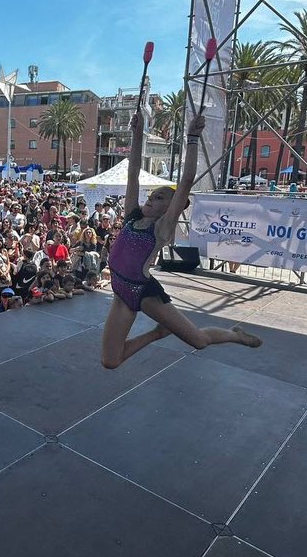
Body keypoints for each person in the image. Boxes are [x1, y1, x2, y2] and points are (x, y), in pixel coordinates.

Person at [101, 110, 262, 369]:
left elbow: (186, 180)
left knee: (198, 340)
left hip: (143, 293)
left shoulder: (161, 230)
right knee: (110, 361)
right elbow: (133, 174)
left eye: (160, 198)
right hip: (121, 291)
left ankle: (235, 335)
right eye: (152, 195)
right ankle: (157, 333)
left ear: (169, 208)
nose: (151, 198)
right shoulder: (131, 215)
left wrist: (192, 137)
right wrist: (137, 133)